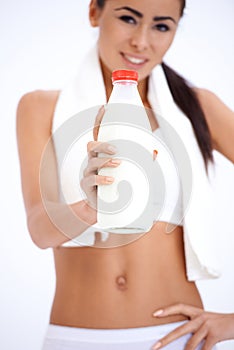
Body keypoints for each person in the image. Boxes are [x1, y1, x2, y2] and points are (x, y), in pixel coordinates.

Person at [16, 0, 234, 349]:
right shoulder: (40, 107)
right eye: (128, 18)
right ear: (94, 12)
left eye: (161, 26)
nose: (141, 41)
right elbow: (40, 231)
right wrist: (89, 205)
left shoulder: (198, 107)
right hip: (75, 337)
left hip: (176, 339)